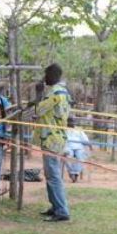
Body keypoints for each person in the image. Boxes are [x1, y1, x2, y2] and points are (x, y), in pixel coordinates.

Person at [33, 64, 72, 222]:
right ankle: (55, 206)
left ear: (53, 75)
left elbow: (39, 110)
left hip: (52, 138)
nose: (44, 78)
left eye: (46, 74)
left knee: (53, 175)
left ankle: (61, 210)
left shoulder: (55, 93)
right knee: (51, 174)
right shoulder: (64, 92)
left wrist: (38, 93)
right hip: (56, 136)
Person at [64, 117, 91, 183]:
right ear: (67, 122)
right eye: (70, 122)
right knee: (67, 156)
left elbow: (85, 139)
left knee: (81, 157)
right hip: (68, 146)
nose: (72, 123)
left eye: (73, 122)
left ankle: (76, 173)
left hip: (79, 147)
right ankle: (71, 173)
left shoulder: (79, 130)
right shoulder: (64, 129)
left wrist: (89, 144)